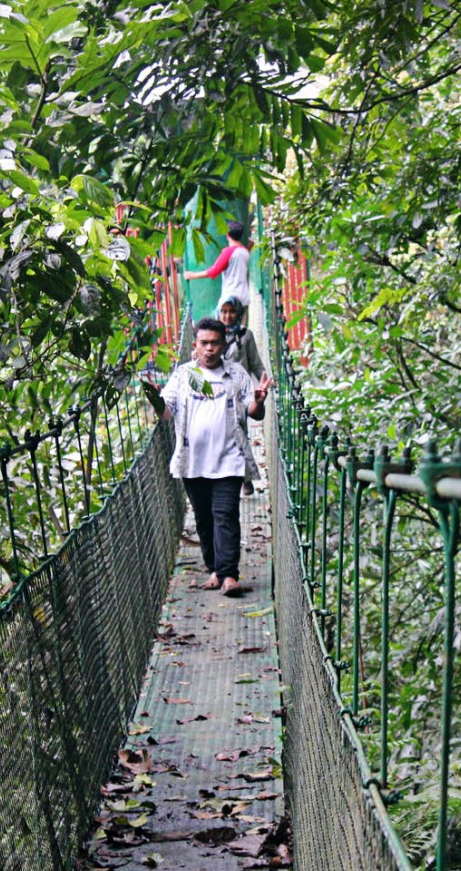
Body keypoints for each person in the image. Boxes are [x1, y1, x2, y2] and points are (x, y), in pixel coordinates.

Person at [142, 318, 274, 597]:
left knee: (225, 515)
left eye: (215, 343)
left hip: (230, 458)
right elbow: (167, 412)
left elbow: (255, 412)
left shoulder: (236, 374)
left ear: (223, 345)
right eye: (204, 343)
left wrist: (259, 401)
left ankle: (228, 575)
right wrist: (156, 400)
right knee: (203, 518)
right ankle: (214, 569)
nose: (210, 349)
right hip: (192, 461)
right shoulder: (184, 375)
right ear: (195, 346)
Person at [218, 296, 266, 495]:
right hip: (216, 394)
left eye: (232, 312)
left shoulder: (246, 336)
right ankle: (228, 480)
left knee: (239, 435)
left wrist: (263, 382)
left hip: (239, 396)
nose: (227, 316)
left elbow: (255, 363)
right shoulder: (213, 335)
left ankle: (245, 479)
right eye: (224, 312)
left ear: (239, 314)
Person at [185, 220, 252, 309]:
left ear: (227, 235)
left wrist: (193, 275)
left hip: (230, 298)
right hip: (244, 298)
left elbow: (214, 271)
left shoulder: (228, 252)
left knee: (221, 321)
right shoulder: (245, 252)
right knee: (240, 323)